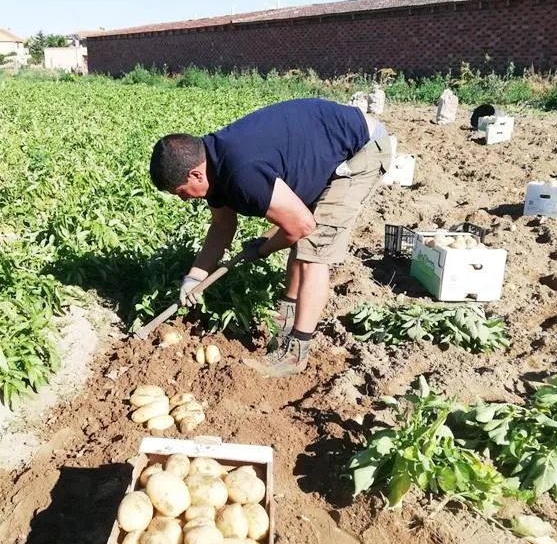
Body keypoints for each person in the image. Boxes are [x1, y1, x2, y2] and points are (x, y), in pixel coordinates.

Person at [149, 97, 393, 377]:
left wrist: (263, 248)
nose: (182, 200)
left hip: (360, 150)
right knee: (302, 240)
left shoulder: (242, 174)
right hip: (325, 142)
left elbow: (301, 227)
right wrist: (194, 277)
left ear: (195, 174)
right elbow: (221, 227)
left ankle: (295, 353)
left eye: (180, 192)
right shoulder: (211, 164)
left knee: (313, 250)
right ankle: (286, 318)